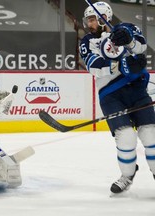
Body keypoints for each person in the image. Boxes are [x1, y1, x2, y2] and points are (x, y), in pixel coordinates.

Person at [80, 1, 155, 194]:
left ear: (103, 17)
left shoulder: (127, 28)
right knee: (126, 137)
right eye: (88, 20)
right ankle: (127, 175)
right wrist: (120, 64)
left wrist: (129, 42)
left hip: (136, 89)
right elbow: (93, 66)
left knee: (151, 134)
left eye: (92, 19)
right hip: (110, 94)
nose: (89, 24)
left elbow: (141, 47)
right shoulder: (87, 41)